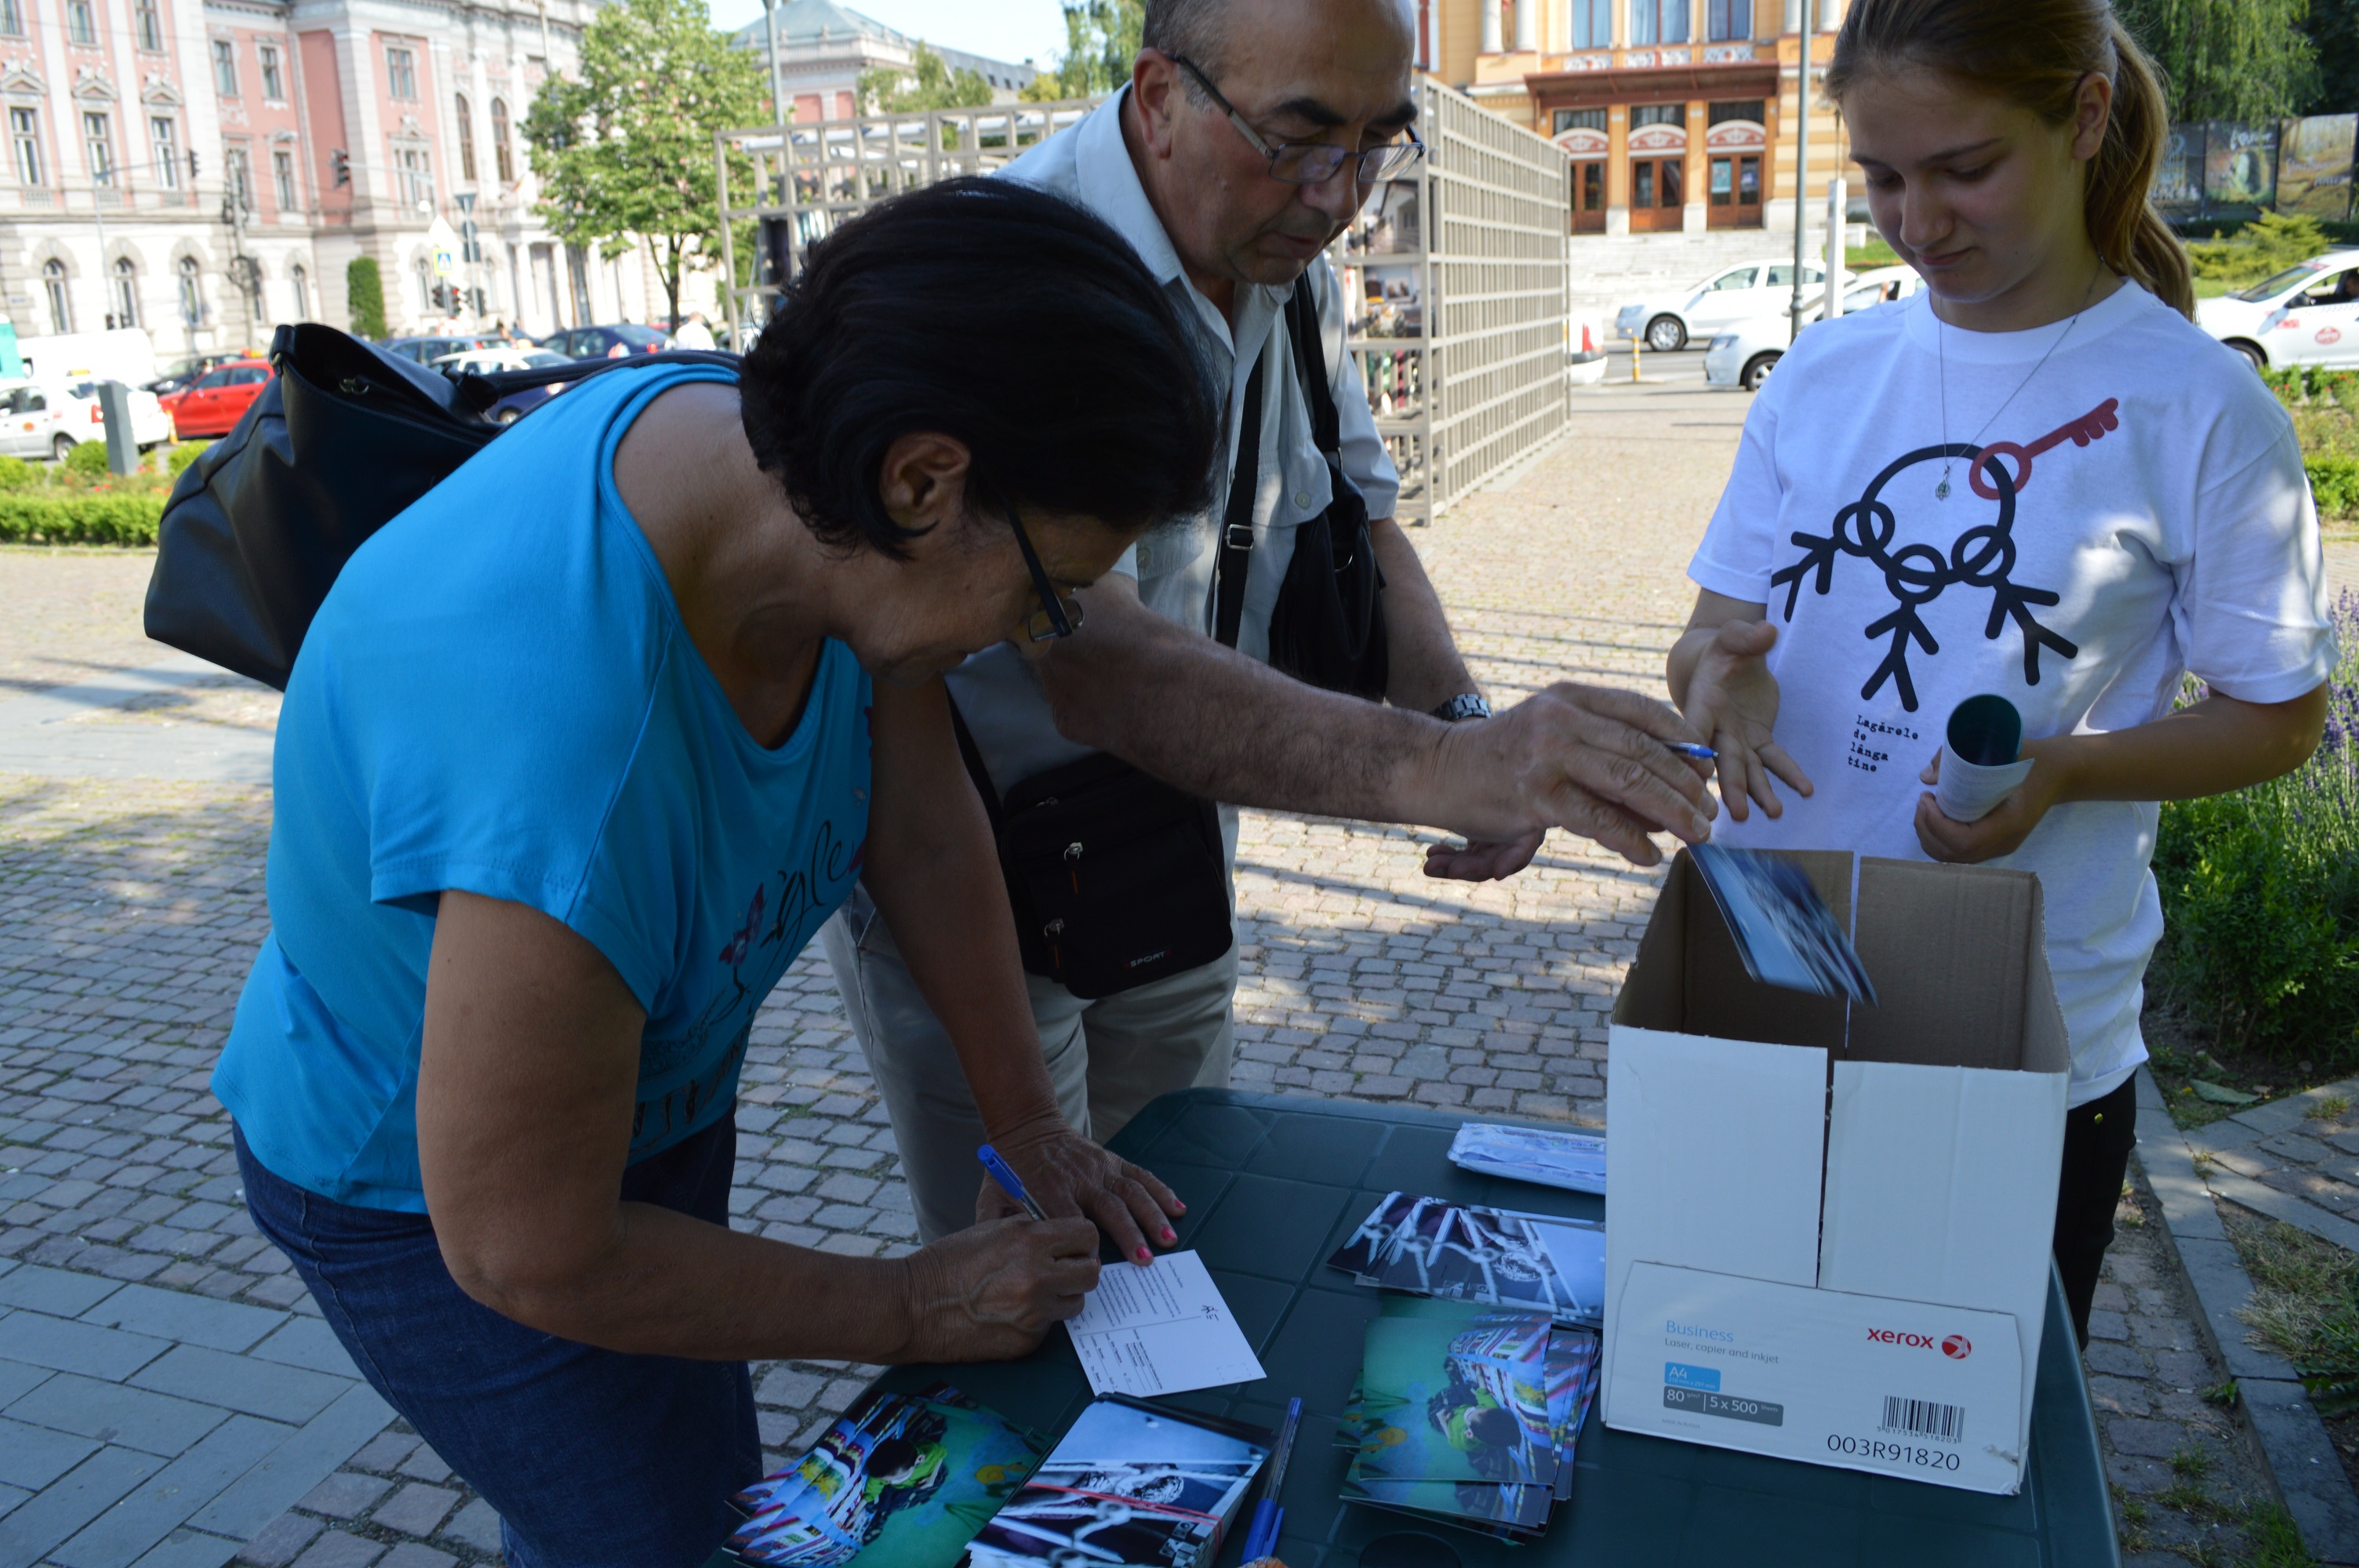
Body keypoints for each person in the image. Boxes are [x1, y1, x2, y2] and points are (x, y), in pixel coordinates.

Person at [210, 180, 1227, 1568]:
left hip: (634, 1119)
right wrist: (912, 1307)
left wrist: (1026, 1119)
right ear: (928, 481)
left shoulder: (802, 489)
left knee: (678, 1487)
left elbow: (917, 816)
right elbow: (530, 1249)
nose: (1023, 639)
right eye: (1047, 593)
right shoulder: (566, 748)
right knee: (666, 1535)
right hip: (420, 1199)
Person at [823, 0, 1719, 1245]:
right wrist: (1452, 767)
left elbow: (1362, 519)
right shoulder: (1013, 283)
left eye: (1375, 143)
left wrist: (1464, 711)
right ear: (1156, 98)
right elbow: (1098, 665)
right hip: (971, 863)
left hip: (1167, 841)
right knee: (1026, 1259)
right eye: (1299, 137)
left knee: (1184, 1221)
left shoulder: (1285, 268)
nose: (1337, 192)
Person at [1669, 0, 2335, 1344]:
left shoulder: (2200, 406)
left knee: (1957, 1436)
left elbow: (2279, 723)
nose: (1917, 222)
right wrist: (1714, 681)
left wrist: (2066, 770)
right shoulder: (1823, 370)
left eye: (1963, 168)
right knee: (1735, 1378)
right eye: (1882, 177)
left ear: (2084, 119)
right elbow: (1714, 632)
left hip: (2020, 1022)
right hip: (1774, 968)